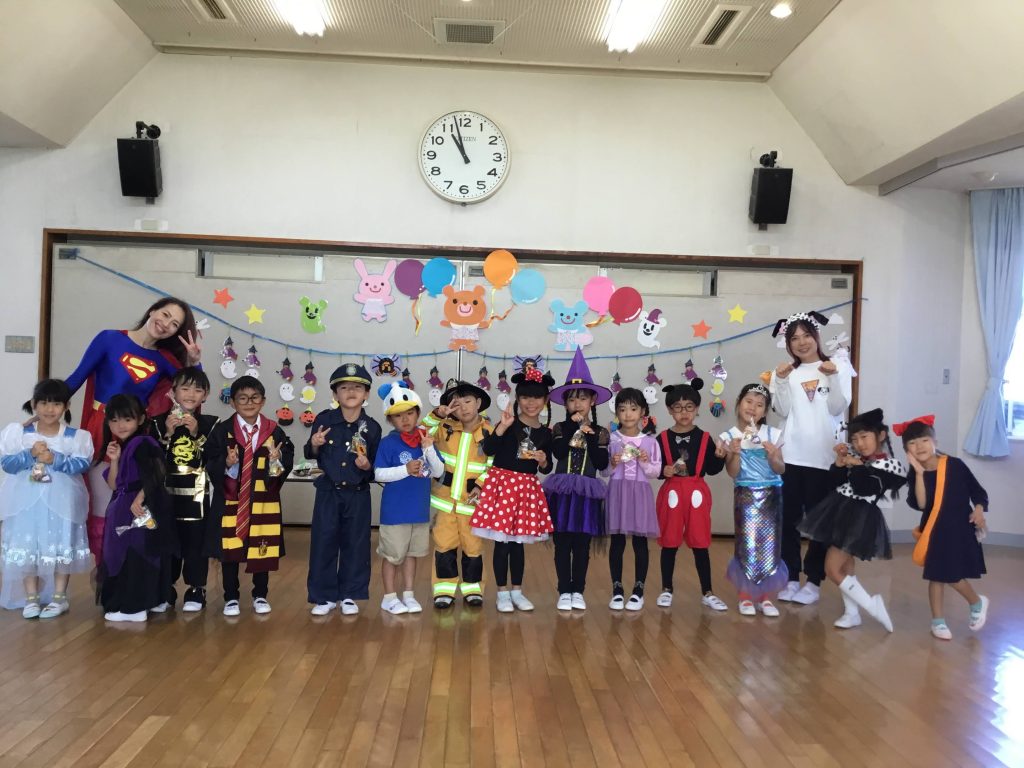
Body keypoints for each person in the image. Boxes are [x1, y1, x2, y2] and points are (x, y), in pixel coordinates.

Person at [64, 297, 202, 563]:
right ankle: (103, 570)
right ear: (152, 310)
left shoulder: (164, 360)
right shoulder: (109, 339)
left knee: (130, 502)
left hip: (136, 438)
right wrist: (42, 412)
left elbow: (192, 390)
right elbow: (76, 378)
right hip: (102, 429)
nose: (166, 324)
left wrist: (194, 362)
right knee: (102, 503)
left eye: (174, 324)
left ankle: (124, 569)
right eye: (165, 315)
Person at [769, 310, 852, 606]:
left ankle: (814, 581)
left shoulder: (838, 367)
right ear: (788, 344)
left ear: (816, 337)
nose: (801, 342)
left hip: (825, 459)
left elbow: (837, 407)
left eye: (806, 336)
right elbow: (781, 410)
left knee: (820, 524)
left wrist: (833, 377)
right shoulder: (785, 373)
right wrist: (780, 381)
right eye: (794, 338)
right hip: (791, 457)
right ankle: (791, 577)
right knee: (788, 522)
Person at [799, 408, 905, 631]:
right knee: (846, 566)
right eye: (855, 439)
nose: (859, 444)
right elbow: (834, 484)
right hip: (839, 512)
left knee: (832, 568)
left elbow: (865, 488)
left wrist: (856, 467)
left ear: (881, 435)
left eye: (864, 437)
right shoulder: (858, 460)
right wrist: (839, 464)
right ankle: (852, 612)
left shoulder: (889, 465)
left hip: (859, 518)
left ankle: (871, 605)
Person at [0, 379, 92, 618]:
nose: (49, 409)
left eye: (56, 404)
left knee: (61, 545)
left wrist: (55, 459)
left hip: (62, 500)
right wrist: (30, 454)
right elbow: (7, 464)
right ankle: (31, 598)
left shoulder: (76, 437)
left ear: (66, 406)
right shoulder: (19, 434)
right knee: (29, 546)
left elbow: (81, 464)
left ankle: (59, 597)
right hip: (27, 502)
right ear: (34, 404)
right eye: (43, 403)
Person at [205, 376, 293, 617]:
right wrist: (227, 463)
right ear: (233, 402)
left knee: (261, 545)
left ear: (263, 401)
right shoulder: (222, 431)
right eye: (242, 398)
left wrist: (276, 461)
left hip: (263, 501)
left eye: (254, 398)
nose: (249, 403)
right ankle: (231, 597)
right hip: (231, 500)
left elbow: (285, 461)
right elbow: (210, 460)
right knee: (230, 550)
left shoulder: (274, 431)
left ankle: (260, 594)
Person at [471, 365, 555, 613]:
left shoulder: (546, 433)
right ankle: (502, 593)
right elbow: (488, 449)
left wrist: (543, 461)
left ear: (545, 400)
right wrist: (502, 427)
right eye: (526, 397)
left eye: (537, 397)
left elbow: (547, 468)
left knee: (518, 544)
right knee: (502, 543)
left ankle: (517, 591)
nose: (531, 403)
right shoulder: (508, 423)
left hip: (527, 490)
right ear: (518, 399)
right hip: (503, 487)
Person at [898, 415, 989, 640]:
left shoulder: (954, 465)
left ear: (935, 442)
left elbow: (978, 492)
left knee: (950, 574)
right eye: (912, 443)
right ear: (907, 450)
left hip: (959, 528)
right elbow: (921, 504)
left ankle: (976, 602)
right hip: (934, 530)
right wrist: (919, 473)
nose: (920, 446)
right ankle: (938, 622)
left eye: (924, 440)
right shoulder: (915, 474)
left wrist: (979, 510)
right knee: (936, 574)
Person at [305, 364, 382, 616]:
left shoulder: (372, 427)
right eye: (344, 387)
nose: (351, 392)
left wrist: (366, 465)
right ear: (335, 394)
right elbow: (311, 453)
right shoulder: (324, 420)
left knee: (356, 544)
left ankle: (349, 594)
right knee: (323, 542)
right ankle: (324, 596)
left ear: (366, 394)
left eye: (357, 387)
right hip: (328, 492)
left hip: (357, 495)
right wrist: (315, 444)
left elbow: (375, 467)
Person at [543, 348, 611, 611]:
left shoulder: (601, 432)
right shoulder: (560, 428)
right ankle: (564, 589)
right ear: (565, 404)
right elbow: (559, 453)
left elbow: (602, 463)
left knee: (582, 544)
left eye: (583, 398)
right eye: (572, 399)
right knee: (562, 543)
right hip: (562, 491)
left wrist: (589, 435)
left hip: (586, 493)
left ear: (592, 401)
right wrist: (574, 428)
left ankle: (578, 590)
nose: (578, 404)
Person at [99, 394, 176, 622]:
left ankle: (135, 607)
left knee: (136, 552)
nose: (120, 425)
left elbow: (157, 472)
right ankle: (143, 602)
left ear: (140, 419)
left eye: (127, 419)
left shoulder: (143, 442)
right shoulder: (123, 446)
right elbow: (114, 484)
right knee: (125, 552)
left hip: (138, 508)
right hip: (123, 506)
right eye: (114, 420)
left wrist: (140, 497)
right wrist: (114, 460)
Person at [655, 379, 727, 610]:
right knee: (669, 541)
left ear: (696, 409)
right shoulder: (661, 438)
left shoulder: (705, 438)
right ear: (669, 410)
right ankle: (666, 589)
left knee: (700, 542)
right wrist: (662, 471)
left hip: (697, 492)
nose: (684, 412)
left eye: (689, 407)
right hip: (672, 493)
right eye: (678, 407)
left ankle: (708, 592)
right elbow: (655, 468)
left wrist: (720, 456)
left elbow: (712, 470)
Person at [151, 367, 218, 613]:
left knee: (195, 542)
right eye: (185, 388)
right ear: (173, 392)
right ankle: (165, 587)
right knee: (167, 540)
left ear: (206, 395)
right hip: (166, 496)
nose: (191, 394)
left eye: (198, 390)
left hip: (197, 496)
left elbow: (213, 459)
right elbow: (152, 460)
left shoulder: (211, 424)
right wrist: (167, 435)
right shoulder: (158, 423)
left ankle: (196, 588)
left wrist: (196, 434)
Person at [373, 381, 444, 615]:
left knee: (413, 554)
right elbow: (379, 474)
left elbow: (438, 471)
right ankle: (389, 597)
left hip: (419, 511)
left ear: (417, 414)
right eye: (398, 415)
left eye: (410, 413)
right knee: (393, 556)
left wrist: (429, 449)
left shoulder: (425, 438)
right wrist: (405, 469)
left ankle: (409, 594)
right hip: (395, 513)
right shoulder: (388, 443)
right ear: (390, 419)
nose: (405, 419)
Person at [422, 380, 493, 608]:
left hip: (472, 503)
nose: (463, 407)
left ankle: (473, 589)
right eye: (457, 403)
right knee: (444, 546)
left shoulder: (489, 432)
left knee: (473, 548)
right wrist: (437, 415)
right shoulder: (444, 428)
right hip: (445, 502)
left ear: (478, 403)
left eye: (468, 401)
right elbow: (421, 432)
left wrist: (480, 485)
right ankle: (444, 589)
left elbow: (493, 465)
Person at [719, 383, 787, 618]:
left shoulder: (773, 434)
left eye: (759, 405)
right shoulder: (729, 437)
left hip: (771, 495)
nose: (753, 408)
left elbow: (780, 469)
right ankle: (746, 595)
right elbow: (733, 472)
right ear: (739, 404)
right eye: (749, 402)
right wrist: (734, 452)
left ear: (765, 411)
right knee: (746, 544)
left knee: (769, 544)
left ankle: (766, 597)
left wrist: (773, 456)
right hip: (745, 495)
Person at [604, 388, 662, 611]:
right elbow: (604, 471)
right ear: (616, 413)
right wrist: (613, 463)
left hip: (640, 494)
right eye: (622, 409)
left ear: (643, 412)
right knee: (617, 541)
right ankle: (617, 589)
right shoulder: (611, 439)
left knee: (640, 542)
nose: (628, 414)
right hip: (617, 492)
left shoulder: (650, 442)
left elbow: (655, 472)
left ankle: (638, 590)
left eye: (633, 409)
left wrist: (645, 462)